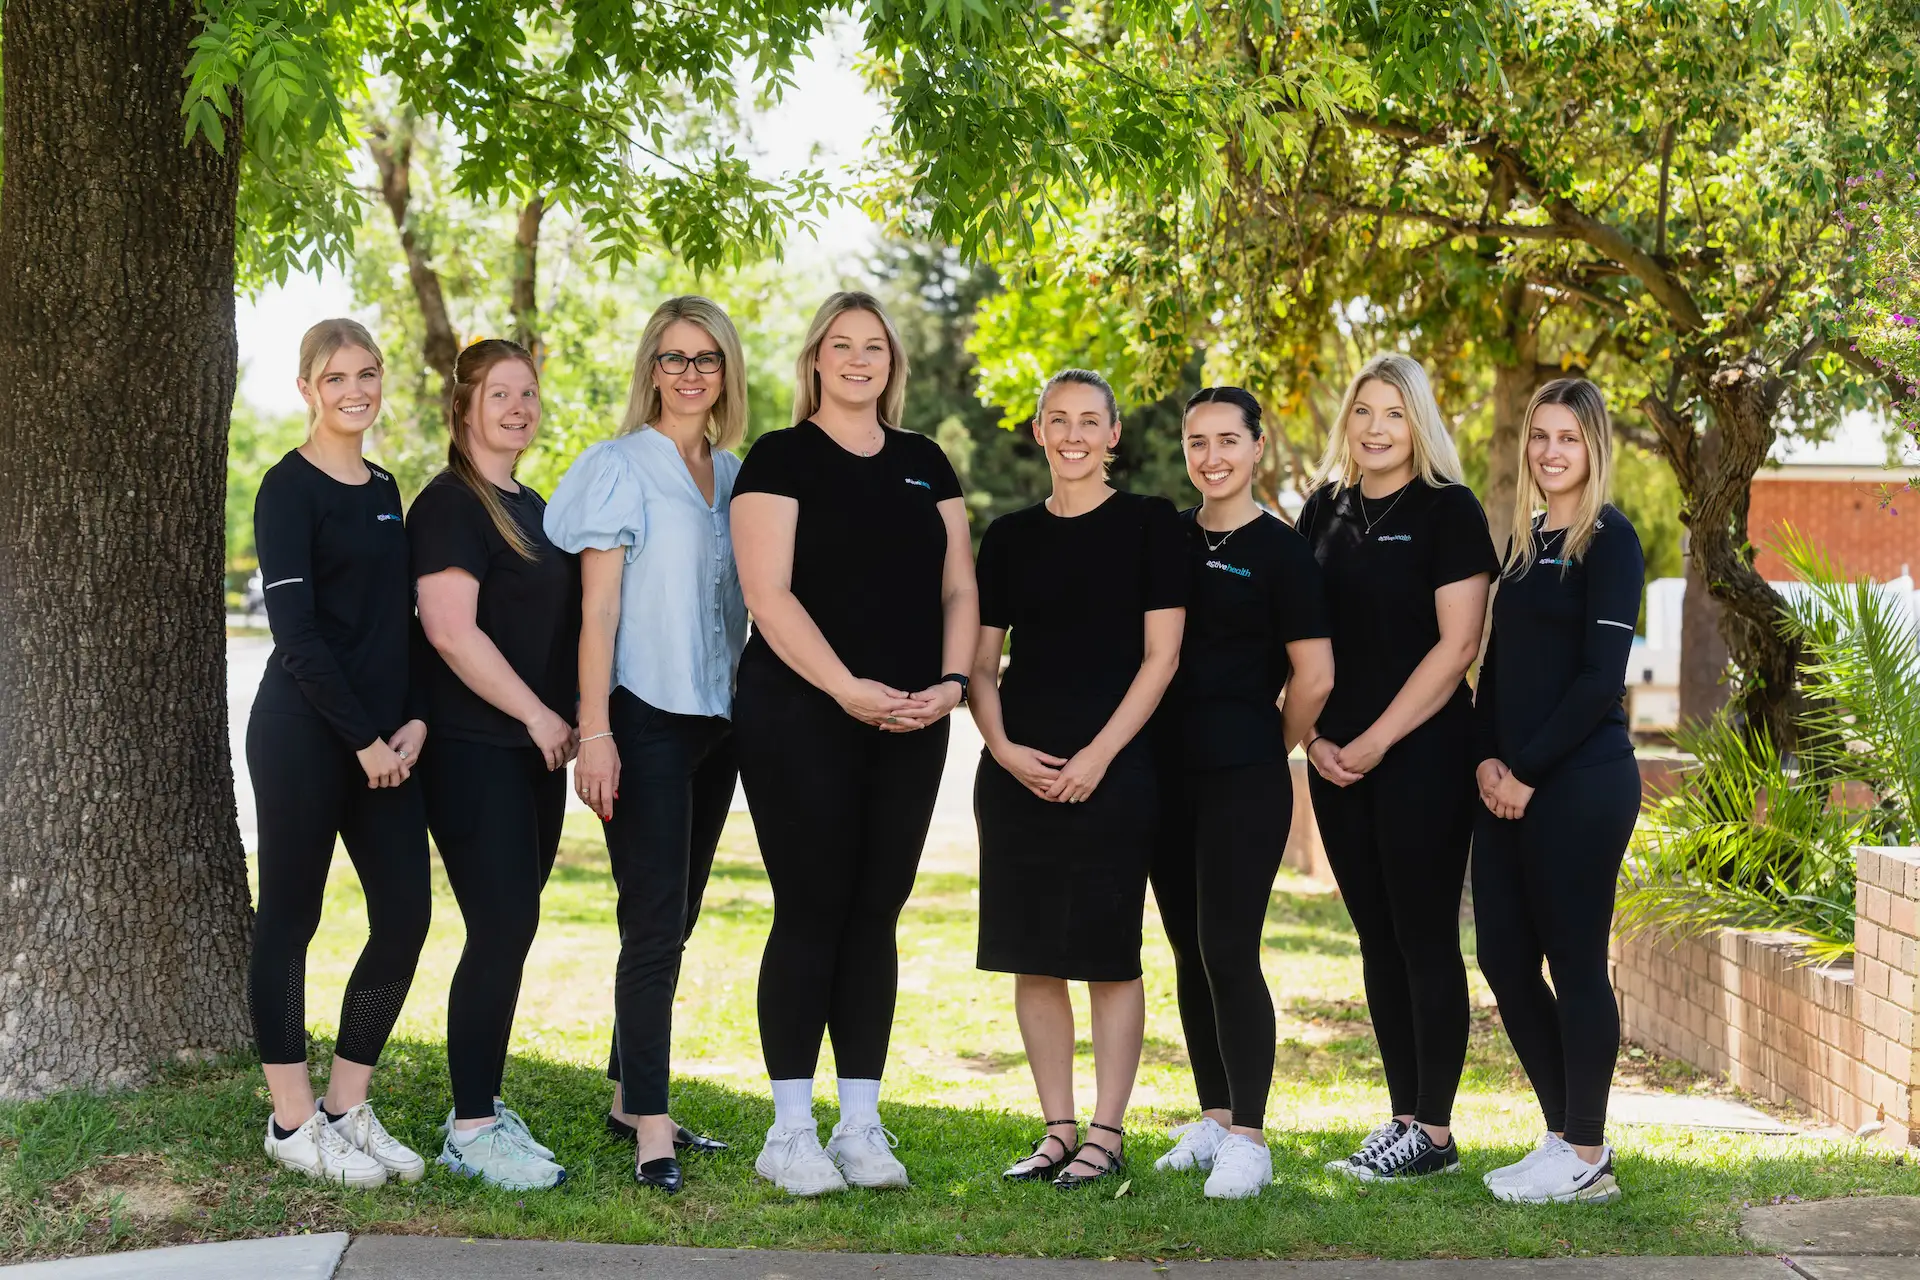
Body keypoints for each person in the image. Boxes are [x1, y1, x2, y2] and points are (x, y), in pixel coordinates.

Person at [730, 291, 978, 1195]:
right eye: (843, 345)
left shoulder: (925, 462)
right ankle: (788, 1132)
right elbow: (769, 595)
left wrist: (950, 687)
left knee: (878, 909)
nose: (859, 360)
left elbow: (960, 589)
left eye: (875, 347)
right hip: (801, 715)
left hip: (913, 717)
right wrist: (845, 690)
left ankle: (861, 1127)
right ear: (816, 359)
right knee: (812, 906)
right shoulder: (780, 457)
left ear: (891, 364)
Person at [544, 297, 750, 1195]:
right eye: (672, 358)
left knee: (682, 914)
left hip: (719, 725)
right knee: (652, 925)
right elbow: (597, 614)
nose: (690, 373)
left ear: (726, 372)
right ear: (650, 369)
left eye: (706, 358)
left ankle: (632, 1092)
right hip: (642, 718)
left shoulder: (738, 474)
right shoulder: (619, 467)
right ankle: (652, 1127)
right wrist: (597, 731)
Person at [971, 369, 1187, 1192]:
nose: (1072, 435)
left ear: (1113, 434)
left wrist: (1099, 756)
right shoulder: (1011, 537)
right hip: (1019, 774)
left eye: (1089, 421)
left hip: (1117, 769)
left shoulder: (1149, 525)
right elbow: (983, 667)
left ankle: (1107, 1131)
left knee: (1107, 955)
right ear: (1037, 431)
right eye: (1057, 420)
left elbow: (1161, 658)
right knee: (1034, 955)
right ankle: (1057, 1127)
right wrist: (1002, 750)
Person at [1295, 353, 1496, 1182]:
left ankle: (1437, 1132)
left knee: (1422, 937)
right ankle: (1403, 1116)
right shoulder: (1321, 511)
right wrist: (1311, 741)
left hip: (1424, 755)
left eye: (1394, 413)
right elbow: (1298, 638)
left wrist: (1377, 740)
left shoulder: (1450, 512)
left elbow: (1459, 648)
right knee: (1376, 939)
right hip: (1335, 760)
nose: (1376, 429)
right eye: (1363, 412)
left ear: (1420, 424)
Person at [248, 318, 431, 1188]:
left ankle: (346, 1106)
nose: (354, 389)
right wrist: (361, 739)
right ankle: (290, 1124)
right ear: (308, 389)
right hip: (304, 734)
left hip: (386, 744)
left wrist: (415, 722)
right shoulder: (286, 489)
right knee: (290, 921)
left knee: (406, 915)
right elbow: (300, 635)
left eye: (367, 373)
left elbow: (402, 624)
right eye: (335, 378)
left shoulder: (388, 485)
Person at [1148, 387, 1334, 1199]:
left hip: (1244, 779)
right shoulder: (1164, 538)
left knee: (1229, 948)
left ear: (1259, 448)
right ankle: (1216, 1116)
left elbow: (1315, 676)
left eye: (1229, 440)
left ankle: (1251, 1139)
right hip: (1162, 776)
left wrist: (1267, 746)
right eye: (1197, 441)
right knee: (1189, 950)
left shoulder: (1285, 552)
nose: (1212, 456)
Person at [411, 338, 579, 1191]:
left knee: (513, 930)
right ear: (465, 407)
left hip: (535, 755)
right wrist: (537, 712)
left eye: (529, 394)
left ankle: (482, 1102)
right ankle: (472, 1128)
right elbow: (449, 630)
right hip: (475, 751)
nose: (519, 409)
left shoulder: (536, 505)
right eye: (501, 395)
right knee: (502, 927)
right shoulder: (450, 505)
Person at [1472, 378, 1644, 1206]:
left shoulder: (1609, 541)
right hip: (1508, 786)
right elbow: (1497, 673)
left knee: (1574, 962)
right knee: (1502, 956)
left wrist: (1527, 773)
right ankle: (1560, 1137)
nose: (1549, 452)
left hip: (1580, 784)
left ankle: (1587, 1152)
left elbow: (1597, 681)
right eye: (1539, 436)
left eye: (1567, 438)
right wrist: (1485, 765)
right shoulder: (1525, 540)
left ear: (1594, 447)